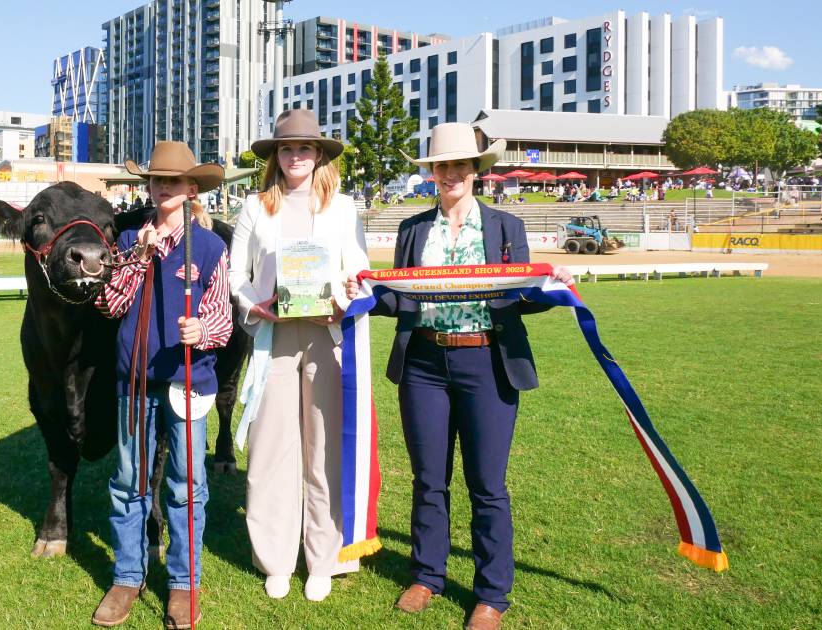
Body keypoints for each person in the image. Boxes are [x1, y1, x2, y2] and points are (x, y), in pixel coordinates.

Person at [345, 123, 571, 630]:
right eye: (441, 166)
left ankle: (492, 593)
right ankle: (427, 576)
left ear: (476, 172)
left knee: (487, 484)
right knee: (429, 481)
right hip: (424, 364)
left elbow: (520, 298)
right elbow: (397, 299)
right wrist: (360, 289)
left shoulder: (505, 228)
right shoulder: (412, 230)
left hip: (487, 363)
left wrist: (551, 286)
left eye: (459, 166)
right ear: (431, 174)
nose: (450, 174)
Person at [228, 108, 369, 602]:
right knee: (271, 450)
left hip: (327, 338)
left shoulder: (344, 208)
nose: (295, 157)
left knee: (324, 449)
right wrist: (254, 303)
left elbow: (359, 269)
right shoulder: (254, 206)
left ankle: (323, 558)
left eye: (304, 148)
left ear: (319, 155)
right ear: (276, 156)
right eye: (287, 149)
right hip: (274, 340)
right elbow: (235, 274)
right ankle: (275, 556)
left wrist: (347, 292)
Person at [91, 141, 231, 629]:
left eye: (173, 180)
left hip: (188, 383)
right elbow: (110, 305)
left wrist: (203, 331)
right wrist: (139, 258)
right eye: (156, 179)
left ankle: (183, 583)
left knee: (186, 486)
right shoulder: (131, 238)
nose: (163, 186)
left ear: (192, 188)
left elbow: (222, 320)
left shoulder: (211, 248)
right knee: (129, 483)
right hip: (134, 380)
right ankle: (128, 576)